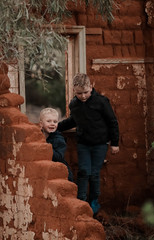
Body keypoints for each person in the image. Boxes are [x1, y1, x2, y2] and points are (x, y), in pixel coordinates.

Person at [57, 73, 119, 216]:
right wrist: (56, 127)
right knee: (84, 172)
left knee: (94, 174)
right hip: (83, 143)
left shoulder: (101, 102)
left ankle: (94, 201)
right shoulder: (74, 104)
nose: (83, 96)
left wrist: (114, 143)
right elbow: (73, 121)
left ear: (91, 87)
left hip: (100, 144)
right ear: (74, 90)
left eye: (86, 92)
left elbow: (112, 122)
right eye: (79, 93)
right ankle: (81, 200)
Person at [39, 107, 74, 182]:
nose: (52, 124)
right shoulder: (38, 137)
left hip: (61, 175)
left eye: (55, 122)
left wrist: (46, 147)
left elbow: (58, 157)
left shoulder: (59, 139)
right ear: (41, 124)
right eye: (48, 121)